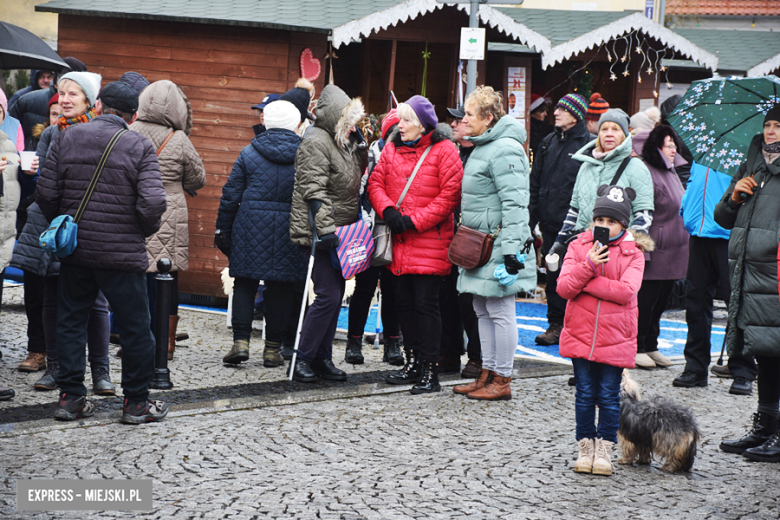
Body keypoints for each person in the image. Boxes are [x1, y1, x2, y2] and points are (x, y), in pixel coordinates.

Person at [36, 80, 169, 424]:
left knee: (70, 320)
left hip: (77, 251)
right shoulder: (139, 145)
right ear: (133, 115)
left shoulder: (66, 137)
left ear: (97, 106)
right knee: (137, 327)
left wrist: (66, 226)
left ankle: (71, 398)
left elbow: (46, 193)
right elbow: (153, 202)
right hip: (122, 254)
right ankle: (136, 404)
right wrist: (138, 231)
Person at [10, 72, 115, 395]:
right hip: (52, 224)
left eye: (74, 94)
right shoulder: (52, 133)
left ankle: (100, 371)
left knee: (95, 302)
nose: (65, 99)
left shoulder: (100, 132)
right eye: (62, 93)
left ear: (89, 100)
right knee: (51, 298)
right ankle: (55, 367)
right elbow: (44, 183)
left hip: (87, 224)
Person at [368, 95, 462, 395]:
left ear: (422, 125)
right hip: (399, 241)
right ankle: (412, 362)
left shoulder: (444, 150)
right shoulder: (392, 147)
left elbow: (449, 197)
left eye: (406, 120)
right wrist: (389, 211)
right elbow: (375, 183)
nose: (400, 125)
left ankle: (430, 370)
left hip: (429, 242)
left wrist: (413, 221)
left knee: (426, 305)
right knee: (404, 305)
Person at [557, 185, 651, 476]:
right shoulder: (579, 247)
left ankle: (605, 450)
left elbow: (626, 292)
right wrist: (588, 267)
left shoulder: (632, 253)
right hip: (581, 333)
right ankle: (585, 448)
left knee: (609, 397)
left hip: (615, 337)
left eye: (612, 222)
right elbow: (563, 287)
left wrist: (586, 284)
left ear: (623, 224)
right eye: (601, 221)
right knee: (584, 394)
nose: (605, 227)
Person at [450, 86, 533, 401]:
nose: (464, 120)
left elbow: (515, 205)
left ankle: (502, 378)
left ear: (488, 117)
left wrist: (512, 253)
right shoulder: (484, 145)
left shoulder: (505, 149)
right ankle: (488, 372)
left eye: (469, 114)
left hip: (498, 244)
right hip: (480, 244)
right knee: (482, 308)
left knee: (499, 310)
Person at [216, 99, 307, 367]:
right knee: (281, 286)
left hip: (249, 226)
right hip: (289, 229)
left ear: (265, 121)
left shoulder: (249, 153)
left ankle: (241, 343)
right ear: (297, 124)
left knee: (244, 282)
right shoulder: (304, 155)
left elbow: (230, 195)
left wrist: (223, 229)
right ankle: (272, 350)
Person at [673, 103, 756, 394]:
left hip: (728, 234)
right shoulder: (707, 147)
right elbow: (695, 184)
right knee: (695, 303)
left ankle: (743, 369)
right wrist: (687, 210)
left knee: (737, 304)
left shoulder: (747, 150)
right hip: (699, 232)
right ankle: (695, 367)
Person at [288, 84, 367, 383]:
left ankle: (321, 357)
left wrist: (359, 147)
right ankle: (303, 358)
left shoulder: (340, 141)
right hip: (322, 232)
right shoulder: (317, 141)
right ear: (337, 116)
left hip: (340, 231)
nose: (354, 125)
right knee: (328, 296)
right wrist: (325, 229)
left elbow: (352, 179)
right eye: (349, 120)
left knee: (334, 297)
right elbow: (313, 189)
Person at [717, 106, 780, 462]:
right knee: (764, 349)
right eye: (767, 125)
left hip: (776, 273)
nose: (770, 131)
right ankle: (766, 424)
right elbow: (722, 217)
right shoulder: (751, 164)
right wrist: (735, 196)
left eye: (778, 126)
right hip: (748, 271)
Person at [130, 80, 205, 360]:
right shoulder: (179, 139)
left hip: (135, 209)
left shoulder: (130, 132)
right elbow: (198, 178)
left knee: (136, 276)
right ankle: (166, 342)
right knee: (167, 276)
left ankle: (135, 340)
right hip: (169, 211)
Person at [529, 93, 592, 347]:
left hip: (577, 228)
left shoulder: (588, 144)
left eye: (562, 110)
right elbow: (535, 184)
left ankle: (575, 326)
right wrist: (530, 222)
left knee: (576, 278)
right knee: (553, 277)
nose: (555, 113)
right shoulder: (547, 142)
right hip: (550, 225)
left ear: (576, 114)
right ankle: (555, 324)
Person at [344, 110, 404, 366]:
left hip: (397, 230)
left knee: (392, 290)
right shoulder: (369, 154)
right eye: (395, 133)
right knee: (365, 289)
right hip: (369, 228)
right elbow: (358, 189)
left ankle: (392, 343)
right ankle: (353, 342)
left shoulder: (407, 154)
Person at [633, 126, 688, 369]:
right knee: (646, 301)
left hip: (674, 250)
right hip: (655, 248)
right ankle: (638, 346)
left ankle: (651, 344)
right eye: (668, 144)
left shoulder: (672, 169)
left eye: (674, 144)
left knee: (661, 302)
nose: (673, 149)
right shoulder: (646, 170)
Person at [438, 104, 482, 379]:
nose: (454, 125)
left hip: (473, 236)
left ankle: (477, 357)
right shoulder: (451, 153)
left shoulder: (480, 154)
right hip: (449, 235)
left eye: (460, 120)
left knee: (470, 301)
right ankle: (450, 352)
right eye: (452, 121)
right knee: (446, 297)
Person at [10, 57, 87, 144]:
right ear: (55, 83)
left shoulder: (92, 108)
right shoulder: (26, 101)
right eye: (64, 81)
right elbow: (9, 129)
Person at [528, 94, 553, 159]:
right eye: (542, 111)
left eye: (546, 111)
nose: (545, 114)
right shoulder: (530, 131)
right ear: (533, 114)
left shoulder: (546, 128)